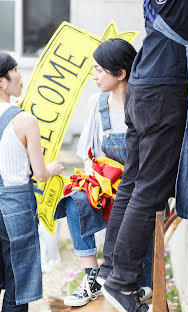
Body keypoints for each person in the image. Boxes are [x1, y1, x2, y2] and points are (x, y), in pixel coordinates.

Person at [97, 1, 188, 312]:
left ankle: (110, 274)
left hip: (144, 85)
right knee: (148, 191)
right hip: (164, 90)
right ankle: (121, 283)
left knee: (133, 185)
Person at [54, 38, 153, 308]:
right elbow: (88, 155)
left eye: (100, 70)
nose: (94, 76)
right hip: (105, 184)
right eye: (93, 69)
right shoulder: (96, 103)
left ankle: (134, 284)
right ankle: (92, 277)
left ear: (121, 73)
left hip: (138, 189)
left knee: (136, 213)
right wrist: (94, 178)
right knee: (74, 200)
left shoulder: (144, 102)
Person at [0, 51, 63, 312]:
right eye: (15, 70)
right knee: (18, 282)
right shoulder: (25, 120)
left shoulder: (21, 116)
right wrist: (54, 168)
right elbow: (40, 174)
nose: (21, 76)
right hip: (16, 207)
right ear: (2, 82)